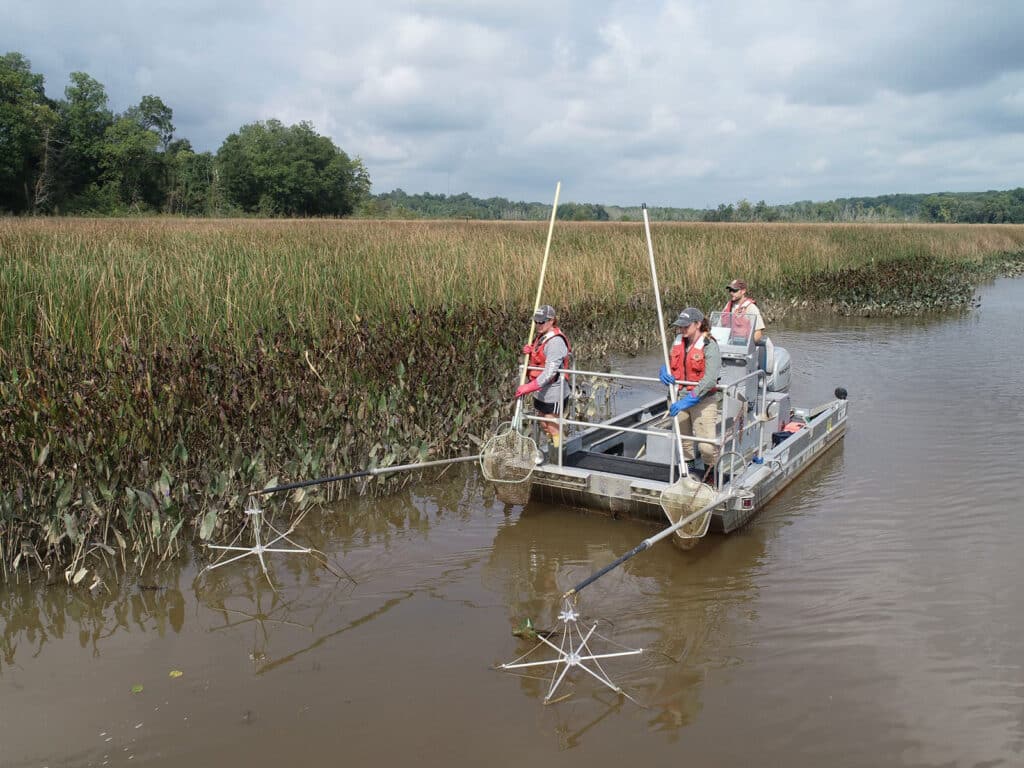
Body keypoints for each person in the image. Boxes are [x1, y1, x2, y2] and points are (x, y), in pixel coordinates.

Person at [657, 307, 721, 474]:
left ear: (698, 324)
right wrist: (664, 370)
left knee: (706, 446)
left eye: (686, 326)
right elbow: (670, 361)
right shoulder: (678, 341)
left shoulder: (709, 345)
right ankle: (689, 474)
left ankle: (710, 476)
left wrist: (691, 398)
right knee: (683, 441)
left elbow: (710, 379)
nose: (682, 329)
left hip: (702, 400)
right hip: (677, 396)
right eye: (680, 326)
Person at [514, 304, 572, 447]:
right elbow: (539, 356)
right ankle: (552, 445)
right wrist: (530, 351)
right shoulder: (541, 336)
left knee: (552, 424)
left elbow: (550, 372)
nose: (538, 325)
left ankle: (559, 453)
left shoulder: (556, 342)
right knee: (543, 423)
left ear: (551, 320)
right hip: (541, 392)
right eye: (536, 321)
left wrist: (529, 387)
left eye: (542, 321)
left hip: (555, 390)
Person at [721, 279, 765, 344]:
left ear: (743, 291)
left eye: (734, 290)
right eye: (730, 290)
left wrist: (747, 345)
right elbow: (719, 327)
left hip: (745, 348)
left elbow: (758, 334)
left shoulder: (751, 308)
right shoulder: (728, 305)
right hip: (728, 345)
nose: (731, 293)